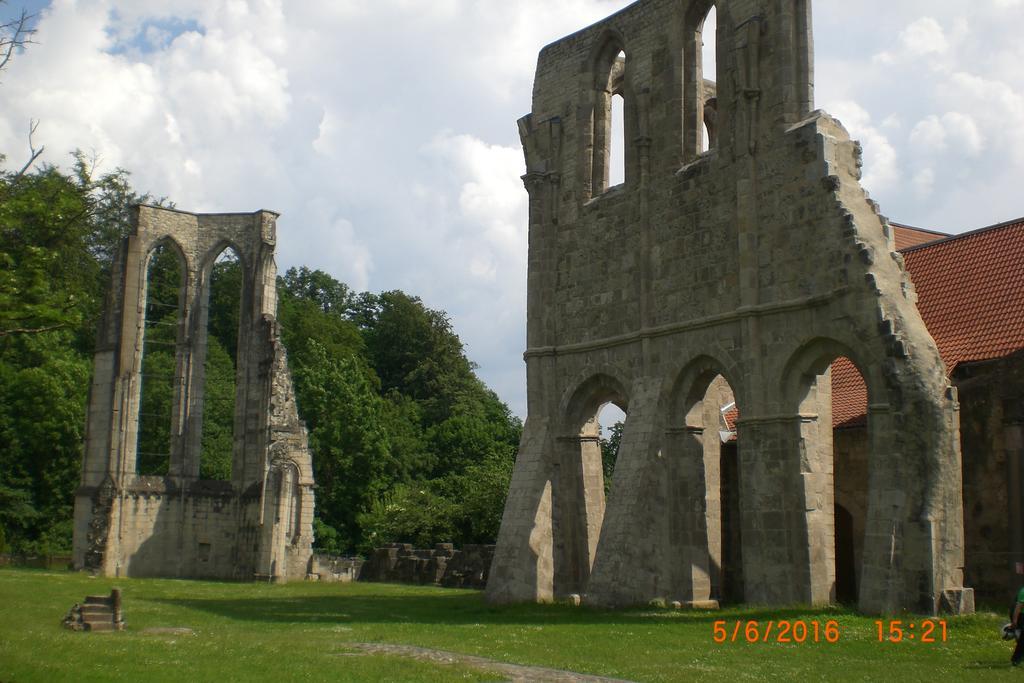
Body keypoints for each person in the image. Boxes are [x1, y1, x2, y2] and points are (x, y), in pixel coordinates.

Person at [1012, 586, 1024, 666]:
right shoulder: (1023, 591)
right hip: (1022, 616)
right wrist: (1015, 620)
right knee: (1022, 640)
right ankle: (1016, 659)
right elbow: (1018, 606)